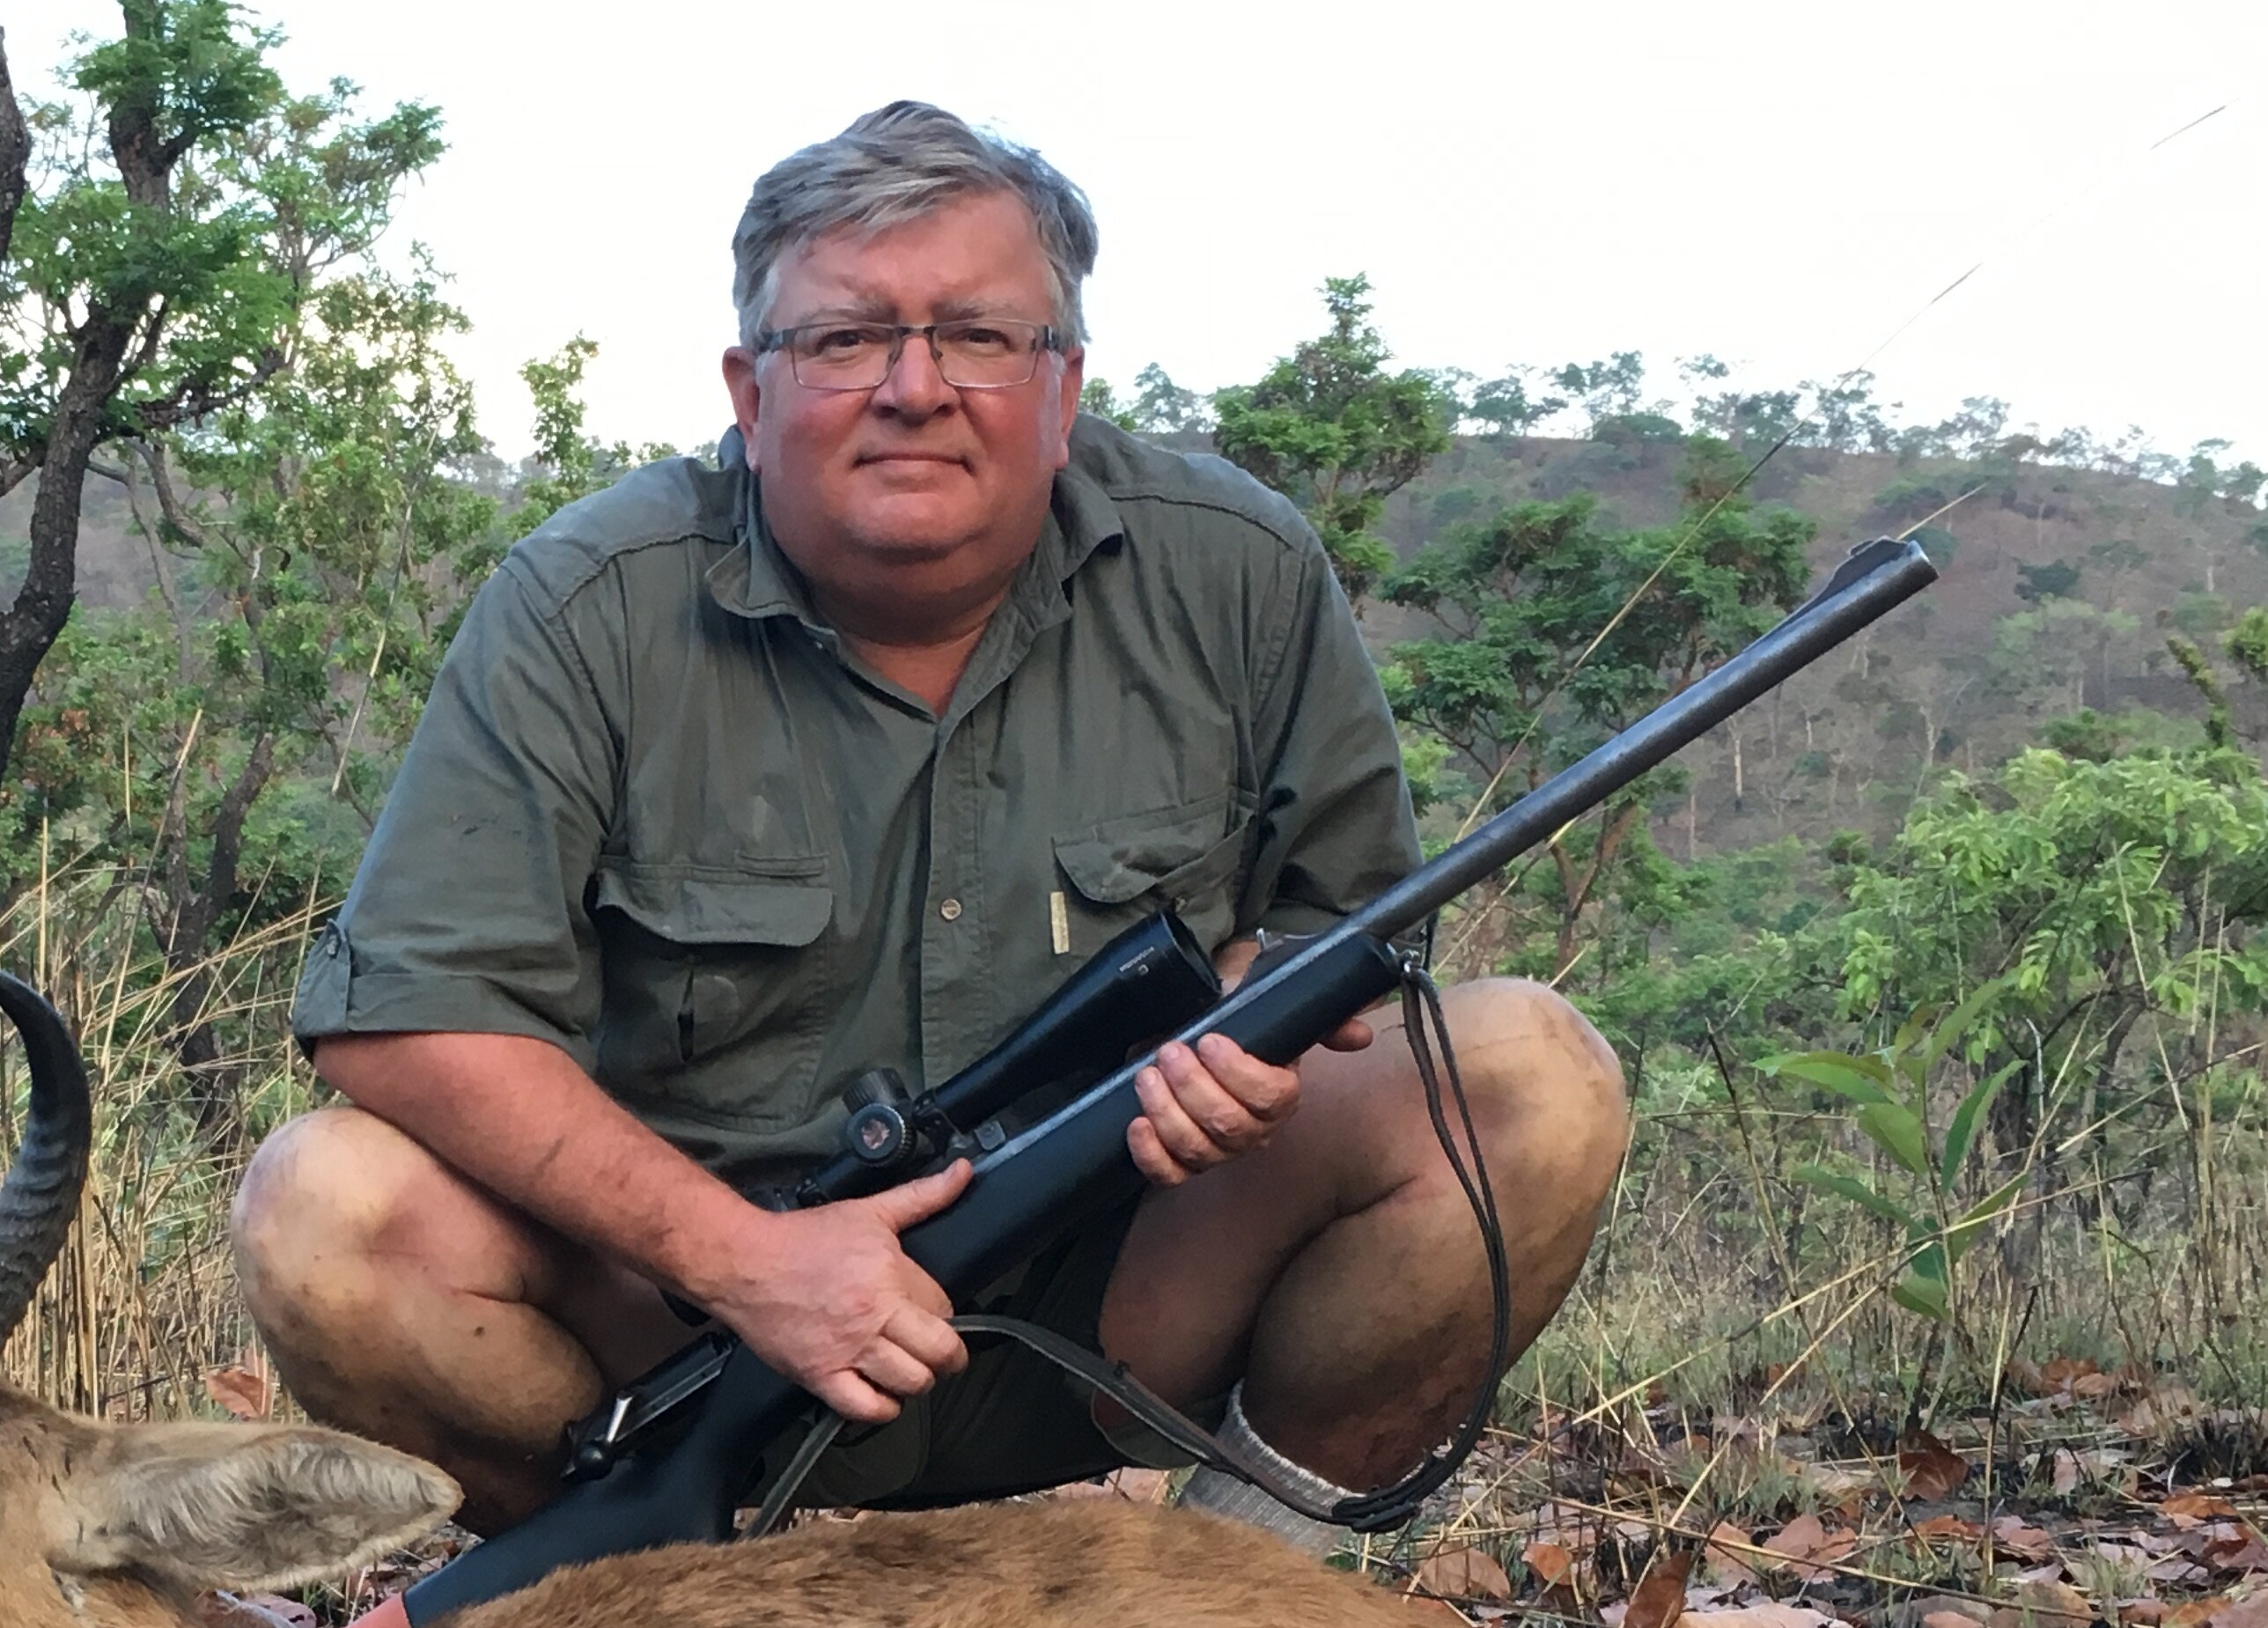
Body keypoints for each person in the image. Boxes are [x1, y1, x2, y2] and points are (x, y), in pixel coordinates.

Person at [234, 100, 1631, 1542]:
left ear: (1063, 383)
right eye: (844, 339)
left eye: (978, 334)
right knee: (326, 1212)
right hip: (693, 1338)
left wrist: (1256, 1017)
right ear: (747, 388)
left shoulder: (1237, 568)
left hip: (1110, 1300)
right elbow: (401, 1018)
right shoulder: (586, 599)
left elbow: (1353, 935)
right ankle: (658, 1622)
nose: (915, 386)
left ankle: (1243, 1604)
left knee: (1528, 1074)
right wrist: (743, 1259)